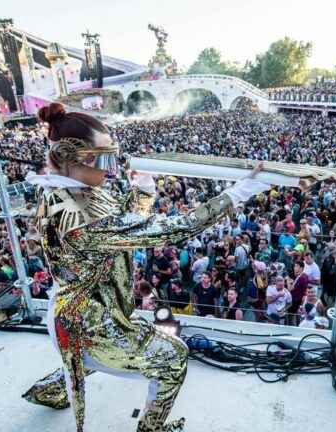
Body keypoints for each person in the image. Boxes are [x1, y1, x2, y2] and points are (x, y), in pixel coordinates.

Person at [23, 103, 272, 432]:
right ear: (74, 157)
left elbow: (121, 224)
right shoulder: (76, 214)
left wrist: (143, 191)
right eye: (104, 159)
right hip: (90, 325)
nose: (111, 169)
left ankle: (51, 389)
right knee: (174, 357)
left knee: (101, 357)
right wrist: (237, 193)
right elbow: (170, 229)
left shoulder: (68, 192)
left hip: (83, 312)